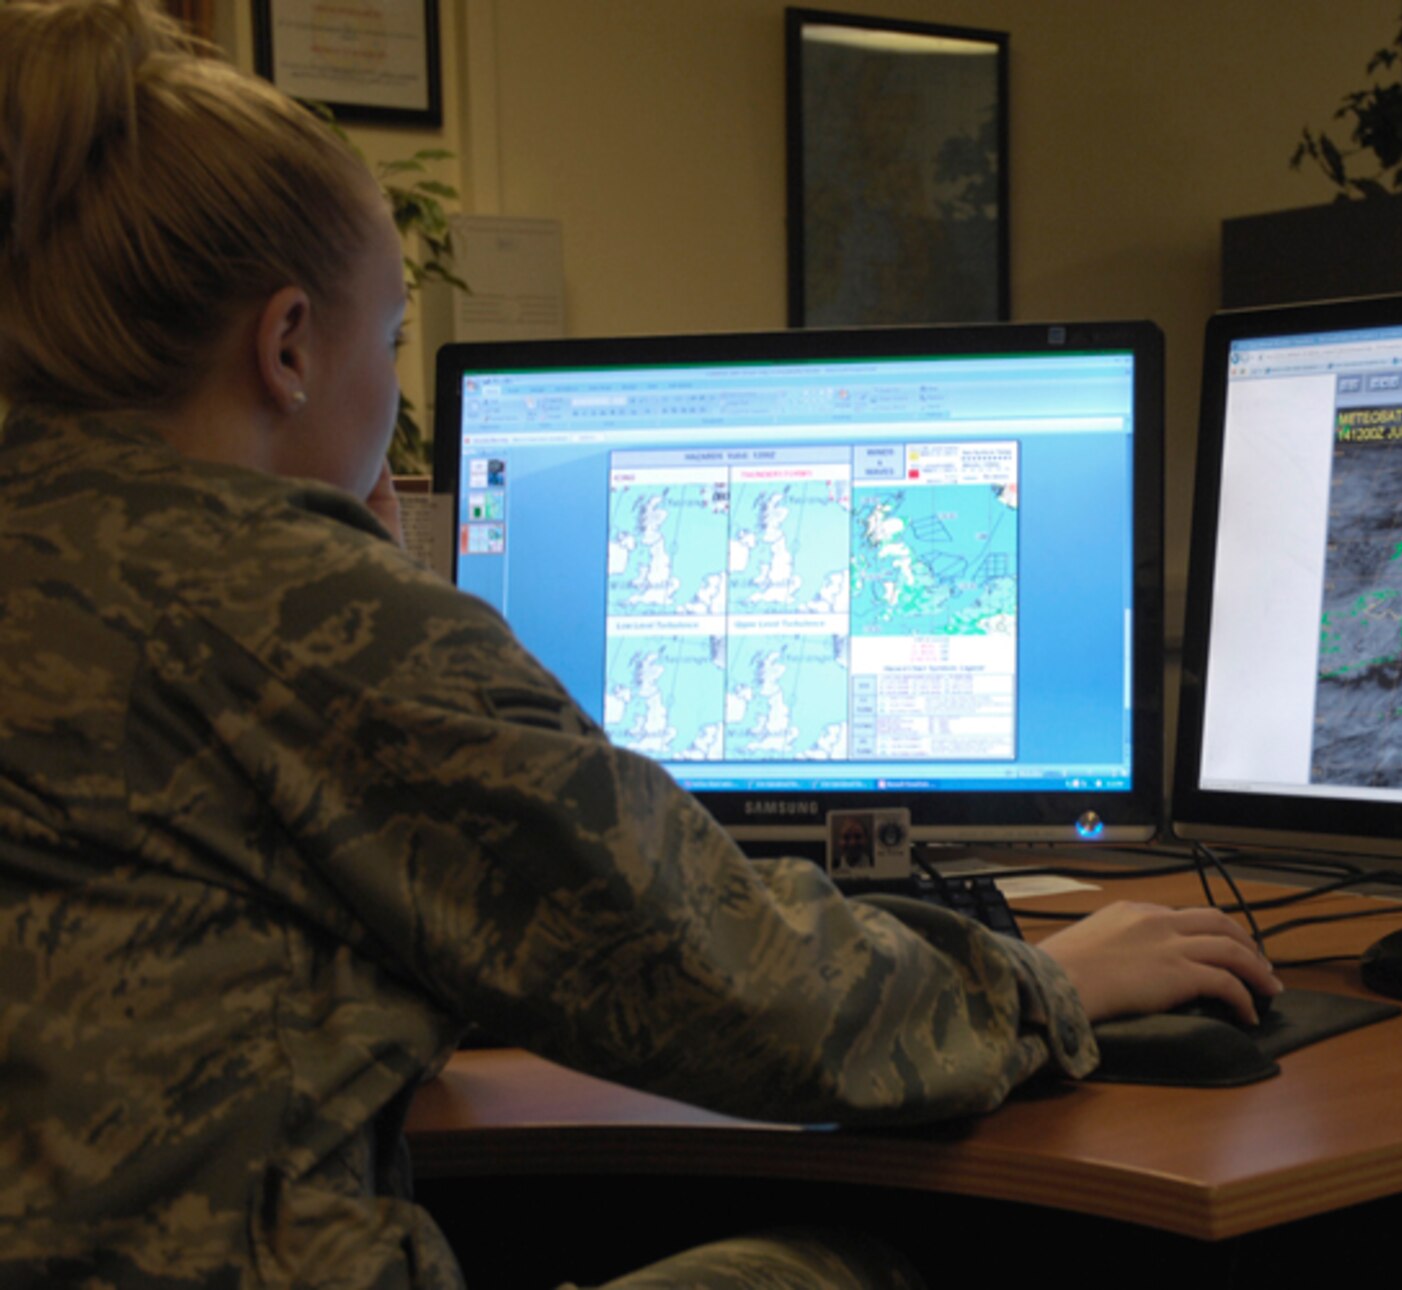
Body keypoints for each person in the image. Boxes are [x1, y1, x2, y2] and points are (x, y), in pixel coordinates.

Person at [0, 2, 1279, 1286]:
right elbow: (752, 995)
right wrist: (1050, 983)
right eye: (388, 341)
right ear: (286, 346)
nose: (389, 392)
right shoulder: (286, 609)